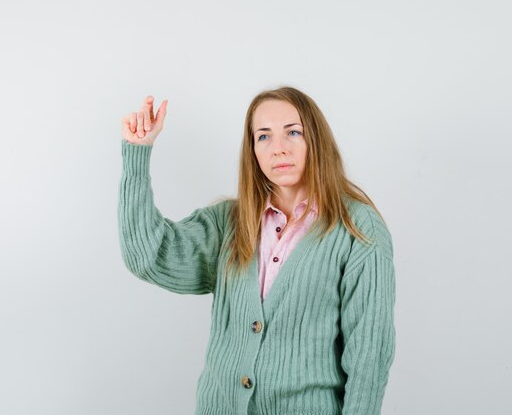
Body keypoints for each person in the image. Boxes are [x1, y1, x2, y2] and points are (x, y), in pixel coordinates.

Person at [118, 86, 396, 415]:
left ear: (316, 140)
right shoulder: (227, 224)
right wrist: (137, 155)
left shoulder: (358, 228)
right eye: (263, 137)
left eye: (293, 132)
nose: (278, 149)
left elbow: (368, 359)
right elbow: (147, 256)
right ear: (252, 150)